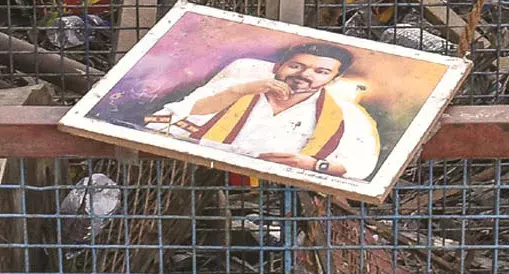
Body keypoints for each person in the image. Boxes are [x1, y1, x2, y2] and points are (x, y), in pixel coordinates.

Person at [143, 42, 380, 180]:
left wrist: (313, 165)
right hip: (192, 175)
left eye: (321, 72)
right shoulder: (235, 86)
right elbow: (156, 122)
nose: (305, 75)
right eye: (296, 66)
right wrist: (238, 92)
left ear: (333, 79)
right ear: (279, 66)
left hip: (278, 193)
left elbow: (362, 167)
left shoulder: (347, 116)